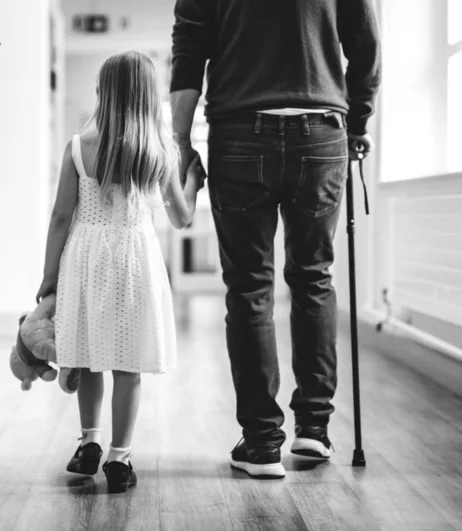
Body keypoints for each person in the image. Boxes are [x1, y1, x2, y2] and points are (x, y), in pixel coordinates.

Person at [170, 0, 382, 479]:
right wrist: (359, 122)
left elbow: (189, 53)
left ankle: (263, 443)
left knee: (248, 289)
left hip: (239, 134)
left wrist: (180, 143)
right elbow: (366, 47)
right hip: (322, 130)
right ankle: (314, 430)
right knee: (313, 279)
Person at [36, 51, 201, 493]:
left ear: (102, 93)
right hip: (134, 259)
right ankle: (119, 457)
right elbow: (182, 218)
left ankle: (89, 441)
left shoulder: (78, 146)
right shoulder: (158, 150)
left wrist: (49, 279)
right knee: (127, 364)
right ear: (149, 96)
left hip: (84, 257)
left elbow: (59, 218)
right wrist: (193, 182)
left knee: (88, 356)